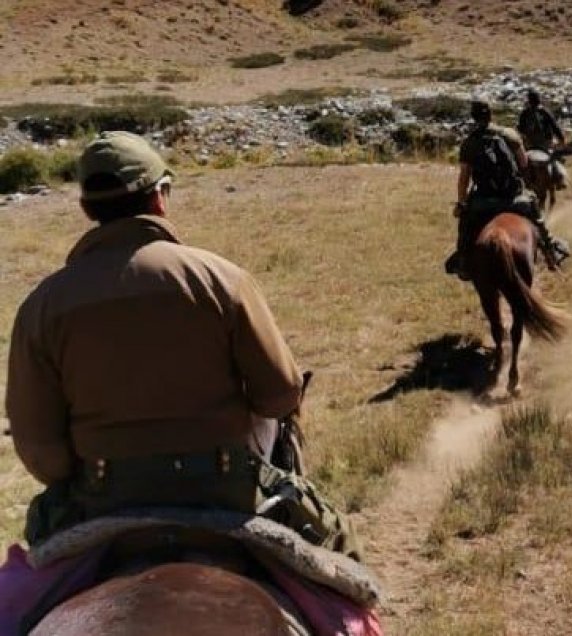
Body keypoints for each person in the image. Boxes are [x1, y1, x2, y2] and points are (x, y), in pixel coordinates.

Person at [5, 131, 357, 559]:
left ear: (86, 208)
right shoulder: (223, 279)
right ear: (159, 198)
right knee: (340, 566)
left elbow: (42, 452)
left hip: (100, 501)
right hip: (228, 494)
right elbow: (281, 394)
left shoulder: (42, 307)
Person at [445, 100, 569, 280]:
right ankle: (551, 252)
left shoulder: (469, 143)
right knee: (535, 214)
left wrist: (462, 203)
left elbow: (464, 178)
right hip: (512, 197)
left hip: (483, 200)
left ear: (473, 118)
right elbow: (524, 164)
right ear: (491, 115)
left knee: (465, 225)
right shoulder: (510, 135)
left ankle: (463, 260)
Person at [517, 88, 569, 191]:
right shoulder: (545, 112)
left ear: (529, 100)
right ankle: (560, 180)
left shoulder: (524, 113)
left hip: (529, 144)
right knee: (555, 159)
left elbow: (520, 129)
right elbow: (555, 127)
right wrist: (562, 139)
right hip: (545, 144)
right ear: (539, 100)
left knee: (519, 162)